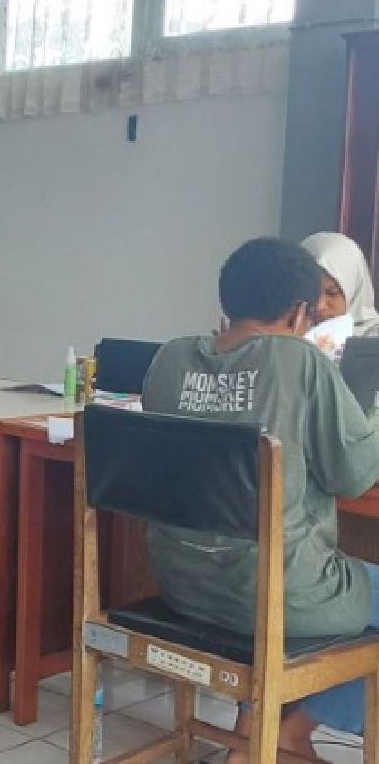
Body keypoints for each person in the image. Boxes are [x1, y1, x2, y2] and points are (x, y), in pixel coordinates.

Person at [141, 237, 379, 762]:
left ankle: (254, 733)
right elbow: (354, 477)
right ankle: (291, 731)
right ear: (298, 314)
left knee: (267, 561)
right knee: (306, 578)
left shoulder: (169, 359)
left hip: (181, 582)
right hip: (267, 595)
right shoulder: (301, 361)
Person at [302, 231, 379, 336]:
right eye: (311, 292)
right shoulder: (288, 335)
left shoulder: (373, 339)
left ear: (353, 289)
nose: (319, 306)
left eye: (332, 293)